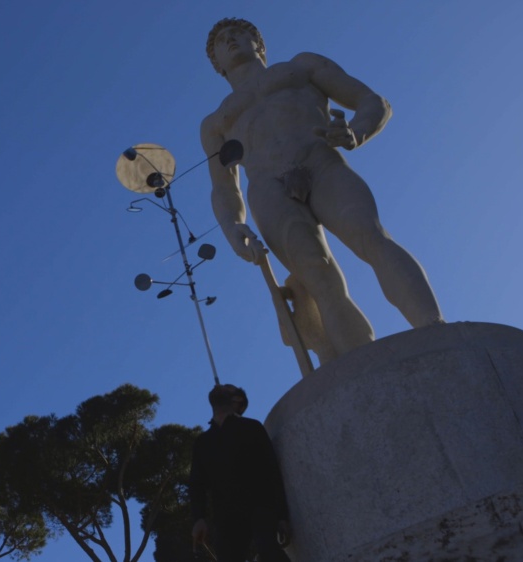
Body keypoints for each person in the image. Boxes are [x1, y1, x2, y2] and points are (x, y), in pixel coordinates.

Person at [201, 18, 443, 363]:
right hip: (268, 187)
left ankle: (434, 327)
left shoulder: (301, 66)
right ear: (217, 65)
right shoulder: (215, 122)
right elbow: (223, 187)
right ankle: (360, 364)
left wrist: (357, 132)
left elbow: (373, 101)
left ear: (259, 43)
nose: (230, 41)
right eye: (221, 42)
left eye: (238, 34)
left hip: (321, 161)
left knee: (371, 237)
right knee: (317, 276)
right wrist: (230, 226)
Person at [190, 385, 290, 561]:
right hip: (225, 518)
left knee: (270, 553)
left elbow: (272, 471)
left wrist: (282, 516)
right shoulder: (202, 442)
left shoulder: (252, 428)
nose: (218, 386)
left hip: (260, 508)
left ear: (236, 401)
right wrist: (199, 518)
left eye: (227, 388)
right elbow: (197, 484)